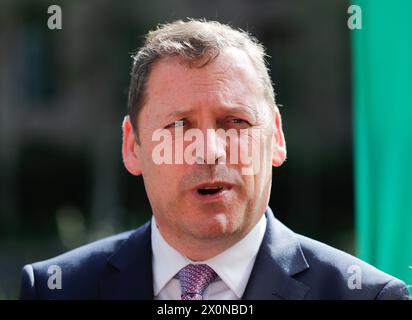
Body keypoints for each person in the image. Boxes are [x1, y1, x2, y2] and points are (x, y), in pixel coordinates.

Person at [20, 19, 409, 300]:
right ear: (132, 146)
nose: (209, 150)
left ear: (276, 138)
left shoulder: (365, 295)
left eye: (234, 122)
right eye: (179, 126)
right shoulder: (56, 289)